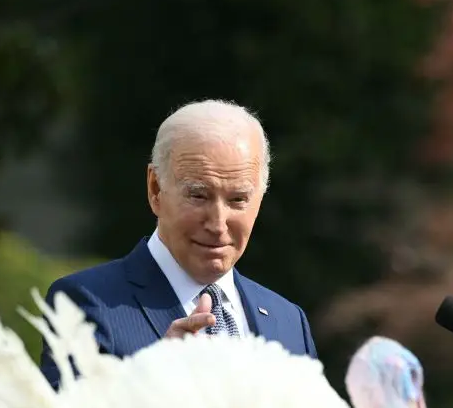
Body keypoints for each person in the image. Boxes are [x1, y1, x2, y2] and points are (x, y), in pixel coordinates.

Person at [39, 99, 317, 388]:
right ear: (155, 189)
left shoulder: (288, 321)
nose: (218, 223)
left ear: (259, 200)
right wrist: (153, 379)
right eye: (198, 196)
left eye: (237, 200)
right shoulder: (84, 304)